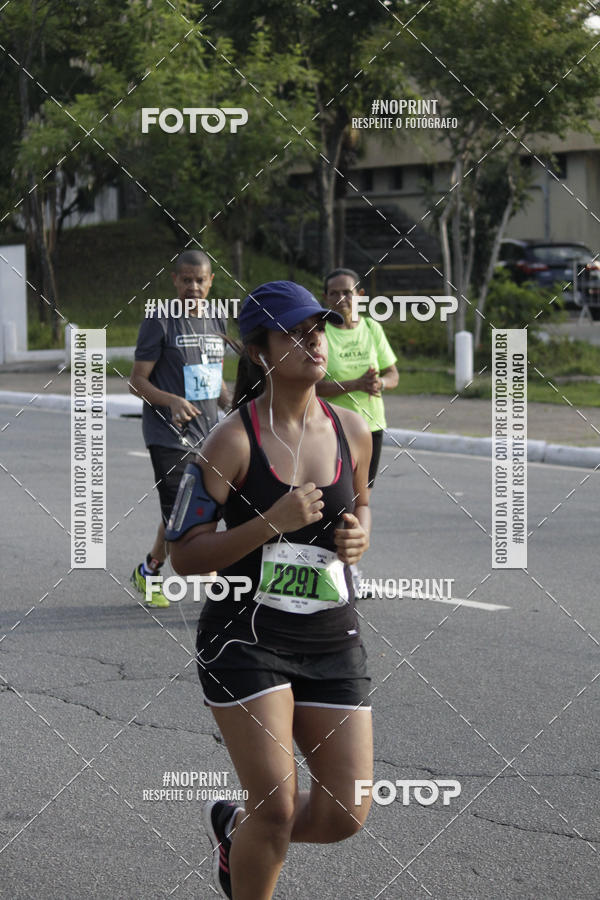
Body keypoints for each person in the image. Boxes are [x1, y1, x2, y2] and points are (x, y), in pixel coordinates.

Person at [169, 282, 373, 900]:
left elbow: (362, 509)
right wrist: (267, 524)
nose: (314, 339)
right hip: (245, 640)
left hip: (332, 636)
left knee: (346, 815)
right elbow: (184, 555)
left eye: (318, 328)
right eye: (294, 331)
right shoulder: (231, 441)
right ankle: (255, 838)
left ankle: (237, 830)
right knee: (279, 807)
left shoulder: (354, 431)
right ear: (260, 351)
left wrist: (359, 539)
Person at [129, 249, 230, 607]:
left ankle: (150, 569)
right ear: (174, 280)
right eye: (186, 280)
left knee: (181, 512)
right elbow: (137, 381)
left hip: (210, 434)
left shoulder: (217, 319)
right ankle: (224, 598)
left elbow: (211, 373)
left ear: (211, 281)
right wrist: (170, 400)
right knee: (183, 518)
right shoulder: (159, 320)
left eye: (200, 280)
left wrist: (229, 403)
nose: (193, 287)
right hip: (167, 436)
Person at [317, 268, 399, 491]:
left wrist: (379, 383)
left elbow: (393, 375)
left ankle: (359, 527)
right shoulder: (320, 333)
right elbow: (314, 388)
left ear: (360, 295)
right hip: (332, 427)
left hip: (371, 426)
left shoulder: (372, 328)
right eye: (333, 293)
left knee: (362, 494)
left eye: (347, 292)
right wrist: (355, 385)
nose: (341, 299)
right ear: (325, 298)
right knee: (336, 493)